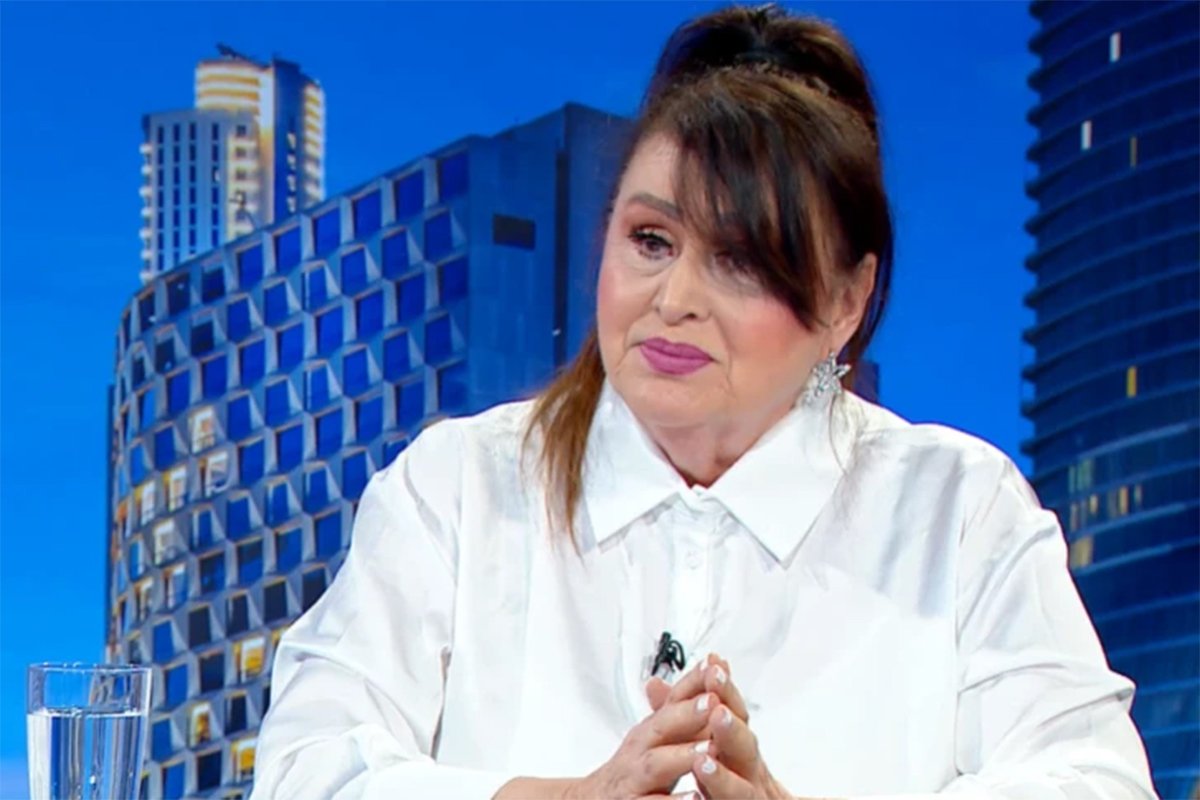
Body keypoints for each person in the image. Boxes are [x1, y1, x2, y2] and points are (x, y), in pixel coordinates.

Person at [251, 5, 1157, 799]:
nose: (674, 297)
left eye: (739, 259)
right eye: (651, 239)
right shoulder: (456, 490)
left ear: (845, 302)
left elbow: (1095, 781)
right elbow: (304, 769)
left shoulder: (957, 514)